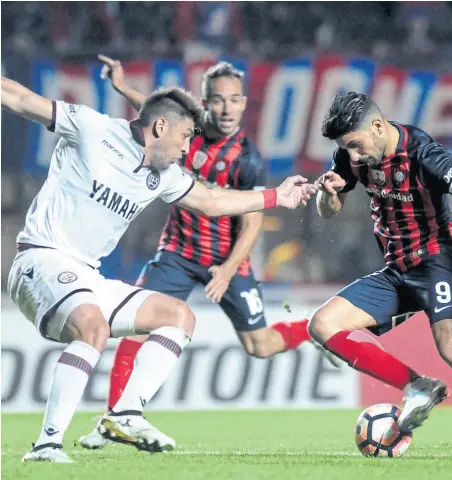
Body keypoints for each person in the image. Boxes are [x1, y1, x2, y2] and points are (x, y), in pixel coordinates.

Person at [1, 75, 316, 463]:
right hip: (41, 259)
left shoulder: (164, 175)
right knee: (93, 326)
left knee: (178, 315)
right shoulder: (91, 127)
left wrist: (276, 197)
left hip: (87, 275)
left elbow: (212, 201)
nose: (187, 147)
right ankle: (47, 445)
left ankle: (127, 413)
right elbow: (18, 97)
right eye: (184, 136)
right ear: (160, 126)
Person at [78, 56, 339, 450]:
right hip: (178, 253)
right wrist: (121, 86)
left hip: (228, 259)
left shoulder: (248, 158)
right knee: (135, 329)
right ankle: (117, 419)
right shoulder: (188, 132)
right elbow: (155, 113)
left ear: (245, 102)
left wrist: (228, 270)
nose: (227, 108)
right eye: (217, 100)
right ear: (204, 104)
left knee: (260, 345)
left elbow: (252, 221)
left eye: (234, 100)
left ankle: (309, 330)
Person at [310, 91, 452, 459]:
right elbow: (328, 211)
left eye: (355, 146)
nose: (352, 156)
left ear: (377, 126)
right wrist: (329, 194)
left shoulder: (425, 155)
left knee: (451, 346)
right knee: (322, 325)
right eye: (346, 149)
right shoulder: (349, 155)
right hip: (397, 270)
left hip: (441, 262)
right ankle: (419, 387)